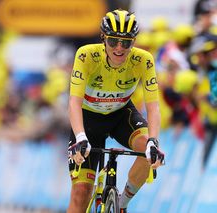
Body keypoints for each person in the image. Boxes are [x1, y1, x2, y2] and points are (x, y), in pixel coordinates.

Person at [67, 9, 165, 213]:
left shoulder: (143, 60)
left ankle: (122, 204)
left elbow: (153, 106)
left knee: (147, 149)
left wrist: (153, 141)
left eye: (126, 43)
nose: (119, 48)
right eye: (113, 41)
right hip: (88, 120)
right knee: (81, 193)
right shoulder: (86, 55)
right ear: (104, 38)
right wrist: (80, 136)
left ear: (134, 42)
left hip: (121, 114)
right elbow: (74, 102)